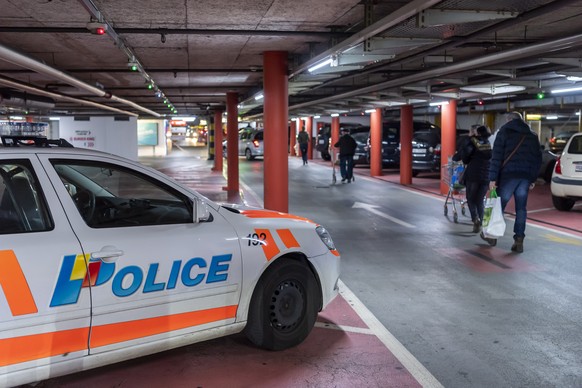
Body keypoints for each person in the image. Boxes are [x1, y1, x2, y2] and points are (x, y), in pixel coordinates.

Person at [481, 112, 542, 252]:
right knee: (521, 209)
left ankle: (492, 235)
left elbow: (496, 157)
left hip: (508, 176)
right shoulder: (532, 135)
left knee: (498, 206)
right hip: (525, 177)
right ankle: (519, 239)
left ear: (508, 120)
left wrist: (492, 179)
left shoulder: (504, 132)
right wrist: (532, 178)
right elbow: (537, 159)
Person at [453, 125, 492, 233]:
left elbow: (464, 158)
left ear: (477, 133)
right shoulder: (490, 143)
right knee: (480, 200)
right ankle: (484, 224)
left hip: (473, 175)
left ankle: (475, 220)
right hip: (486, 176)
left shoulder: (472, 142)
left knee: (470, 199)